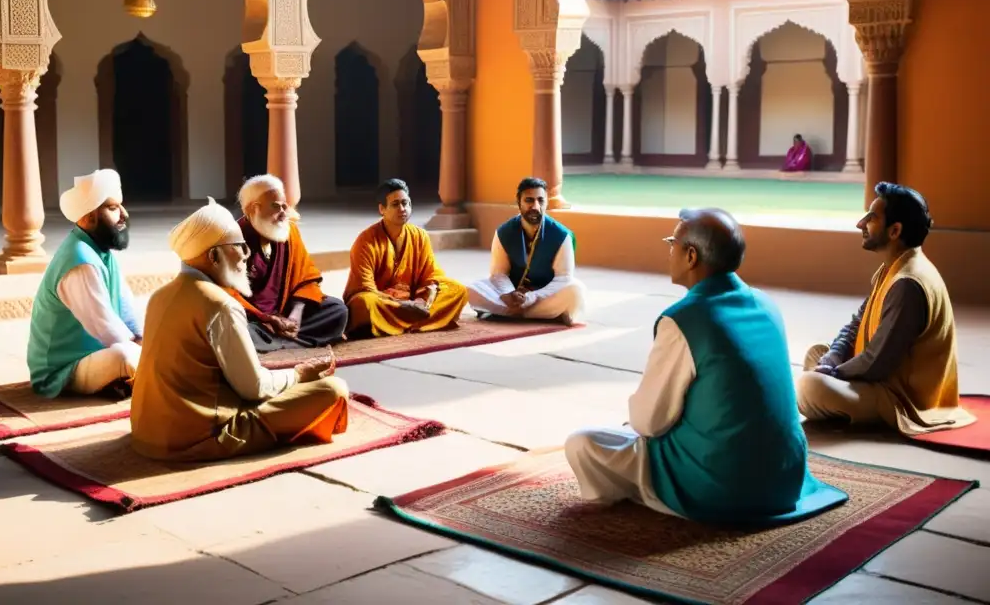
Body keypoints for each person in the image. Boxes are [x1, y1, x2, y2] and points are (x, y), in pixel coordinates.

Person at [565, 208, 846, 524]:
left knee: (583, 444)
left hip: (720, 487)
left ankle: (653, 498)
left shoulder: (683, 319)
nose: (669, 250)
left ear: (690, 255)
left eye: (672, 243)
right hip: (785, 481)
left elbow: (648, 422)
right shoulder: (767, 304)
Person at [131, 199, 350, 462]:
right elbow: (254, 388)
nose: (247, 255)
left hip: (146, 433)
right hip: (198, 437)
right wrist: (298, 374)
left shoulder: (160, 296)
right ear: (213, 256)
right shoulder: (220, 304)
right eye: (239, 247)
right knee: (333, 390)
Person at [796, 182, 975, 435]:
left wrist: (833, 373)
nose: (861, 224)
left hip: (901, 400)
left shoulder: (908, 284)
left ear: (895, 231)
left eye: (871, 218)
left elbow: (876, 363)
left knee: (810, 386)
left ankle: (841, 408)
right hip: (877, 381)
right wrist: (833, 358)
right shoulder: (894, 267)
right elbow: (857, 323)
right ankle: (837, 405)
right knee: (817, 354)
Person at [27, 169, 143, 398]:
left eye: (121, 206)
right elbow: (105, 326)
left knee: (152, 344)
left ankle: (122, 380)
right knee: (125, 356)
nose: (124, 214)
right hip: (62, 371)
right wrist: (147, 351)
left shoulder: (101, 252)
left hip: (95, 354)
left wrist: (144, 337)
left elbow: (126, 306)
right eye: (112, 208)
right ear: (89, 217)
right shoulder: (79, 260)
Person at [225, 175, 348, 352]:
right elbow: (225, 294)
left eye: (285, 206)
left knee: (337, 310)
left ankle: (277, 342)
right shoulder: (232, 240)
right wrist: (267, 319)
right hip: (253, 318)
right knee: (234, 327)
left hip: (285, 311)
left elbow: (305, 277)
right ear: (253, 209)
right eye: (275, 206)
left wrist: (295, 314)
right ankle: (284, 341)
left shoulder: (289, 232)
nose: (283, 213)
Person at [343, 178, 467, 337]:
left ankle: (403, 323)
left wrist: (425, 300)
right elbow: (366, 287)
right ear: (382, 209)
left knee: (457, 290)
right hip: (384, 302)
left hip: (414, 300)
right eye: (395, 204)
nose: (402, 209)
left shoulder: (420, 236)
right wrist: (402, 305)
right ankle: (418, 321)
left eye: (406, 203)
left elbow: (432, 275)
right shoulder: (366, 241)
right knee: (365, 304)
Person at [467, 177, 584, 324]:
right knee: (471, 289)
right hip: (513, 294)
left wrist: (530, 298)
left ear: (546, 202)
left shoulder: (561, 235)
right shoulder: (504, 232)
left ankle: (509, 313)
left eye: (540, 200)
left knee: (575, 289)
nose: (535, 206)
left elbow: (563, 278)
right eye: (529, 200)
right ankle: (543, 314)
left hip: (544, 294)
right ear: (519, 203)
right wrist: (509, 294)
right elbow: (499, 273)